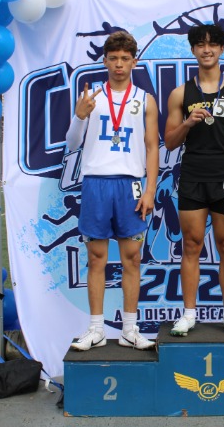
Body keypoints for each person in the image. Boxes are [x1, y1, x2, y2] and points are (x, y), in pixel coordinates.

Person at [66, 31, 159, 351]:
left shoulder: (145, 100)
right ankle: (96, 329)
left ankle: (130, 329)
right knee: (96, 258)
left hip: (130, 185)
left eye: (125, 58)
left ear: (134, 61)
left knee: (132, 258)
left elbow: (152, 147)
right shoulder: (91, 98)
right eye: (113, 58)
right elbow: (72, 143)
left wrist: (150, 189)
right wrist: (79, 116)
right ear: (104, 61)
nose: (119, 64)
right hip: (96, 183)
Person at [164, 24, 224, 336]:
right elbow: (170, 142)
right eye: (200, 44)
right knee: (191, 245)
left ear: (221, 48)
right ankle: (189, 314)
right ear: (193, 50)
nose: (207, 49)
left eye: (212, 44)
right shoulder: (180, 93)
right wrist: (187, 122)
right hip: (192, 177)